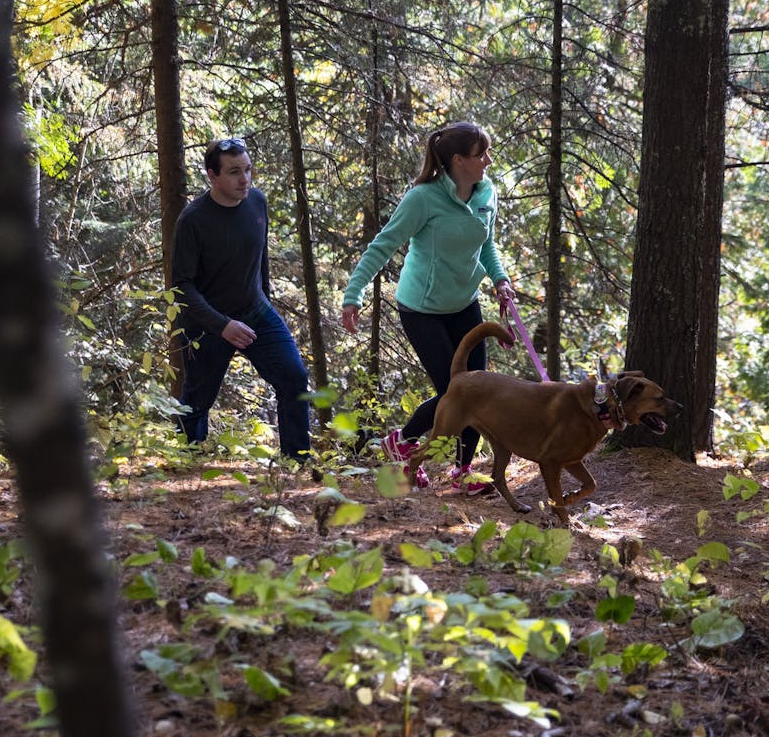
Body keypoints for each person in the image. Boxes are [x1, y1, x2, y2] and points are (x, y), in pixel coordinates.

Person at [341, 121, 514, 493]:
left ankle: (462, 471)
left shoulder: (487, 194)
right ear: (457, 161)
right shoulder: (423, 198)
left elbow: (487, 245)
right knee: (457, 391)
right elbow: (382, 245)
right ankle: (401, 442)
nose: (487, 160)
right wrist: (352, 295)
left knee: (477, 391)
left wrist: (499, 280)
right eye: (479, 154)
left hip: (464, 303)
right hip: (422, 307)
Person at [171, 137, 310, 459]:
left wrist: (265, 297)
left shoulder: (257, 202)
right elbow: (181, 286)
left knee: (294, 377)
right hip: (206, 325)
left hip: (256, 312)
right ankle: (186, 463)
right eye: (234, 172)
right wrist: (221, 326)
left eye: (247, 170)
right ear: (212, 175)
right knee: (197, 400)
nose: (244, 179)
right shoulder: (193, 220)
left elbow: (260, 257)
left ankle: (297, 463)